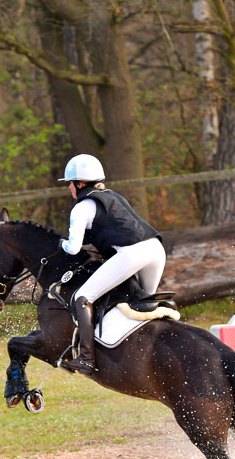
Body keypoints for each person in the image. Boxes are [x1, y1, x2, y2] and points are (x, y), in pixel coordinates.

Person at [57, 154, 166, 376]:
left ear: (79, 184)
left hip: (132, 253)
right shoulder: (112, 196)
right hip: (155, 249)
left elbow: (74, 248)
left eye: (70, 183)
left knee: (82, 297)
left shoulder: (81, 207)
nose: (69, 188)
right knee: (143, 304)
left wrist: (61, 243)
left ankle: (87, 359)